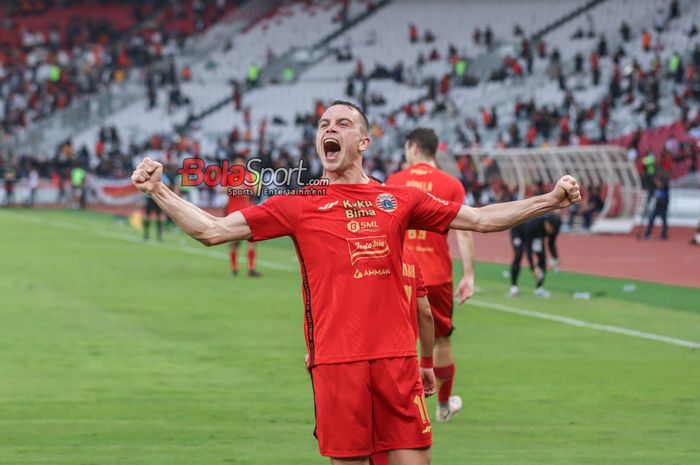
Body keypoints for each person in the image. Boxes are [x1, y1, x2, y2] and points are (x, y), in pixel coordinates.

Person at [131, 100, 581, 464]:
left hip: (398, 361)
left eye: (343, 123)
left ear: (362, 141)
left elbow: (480, 219)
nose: (330, 128)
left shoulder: (400, 198)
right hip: (337, 362)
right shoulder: (298, 203)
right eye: (324, 123)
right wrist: (160, 191)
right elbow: (213, 230)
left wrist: (550, 199)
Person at [386, 128, 474, 423]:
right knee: (442, 341)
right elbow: (464, 232)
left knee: (399, 343)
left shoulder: (394, 182)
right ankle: (444, 405)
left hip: (400, 274)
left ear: (412, 148)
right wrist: (469, 274)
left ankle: (399, 408)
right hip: (437, 275)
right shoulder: (451, 184)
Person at [370, 247, 435, 465]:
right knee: (413, 446)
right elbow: (425, 312)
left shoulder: (362, 256)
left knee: (371, 442)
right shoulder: (410, 257)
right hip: (405, 366)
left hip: (365, 363)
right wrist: (427, 363)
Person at [509, 214, 562, 298]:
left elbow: (551, 244)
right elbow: (528, 250)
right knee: (518, 255)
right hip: (519, 232)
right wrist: (533, 268)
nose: (552, 231)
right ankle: (514, 287)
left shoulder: (555, 228)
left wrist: (555, 259)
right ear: (546, 223)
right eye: (551, 229)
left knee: (542, 259)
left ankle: (539, 289)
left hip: (536, 238)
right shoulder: (533, 225)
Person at [224, 156, 260, 277]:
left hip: (248, 211)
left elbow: (254, 191)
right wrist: (234, 188)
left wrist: (245, 189)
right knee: (235, 242)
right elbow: (222, 189)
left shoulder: (249, 175)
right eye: (237, 162)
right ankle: (234, 269)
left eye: (241, 162)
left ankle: (251, 268)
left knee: (252, 240)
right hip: (233, 212)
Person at [643, 174, 669, 240]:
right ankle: (647, 233)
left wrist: (656, 181)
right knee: (651, 220)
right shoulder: (654, 187)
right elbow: (651, 194)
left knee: (664, 221)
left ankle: (664, 235)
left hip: (663, 207)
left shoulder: (665, 186)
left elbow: (661, 185)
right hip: (657, 206)